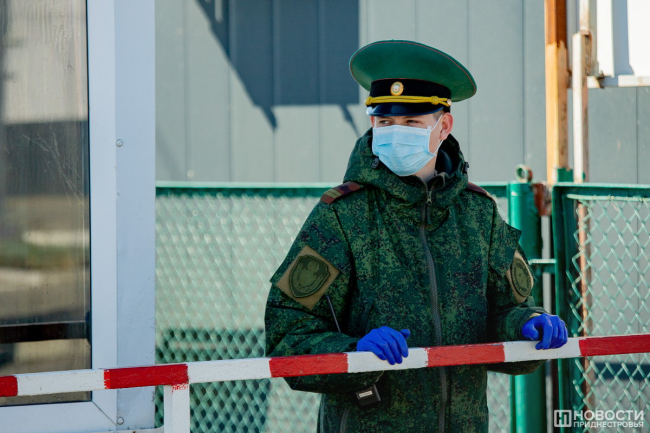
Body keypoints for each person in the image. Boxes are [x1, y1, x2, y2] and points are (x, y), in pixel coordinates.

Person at [264, 40, 567, 432]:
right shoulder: (342, 215)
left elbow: (503, 313)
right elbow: (288, 334)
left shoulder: (478, 214)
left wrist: (527, 324)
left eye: (411, 122)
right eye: (384, 122)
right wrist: (355, 354)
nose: (395, 133)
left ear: (444, 127)